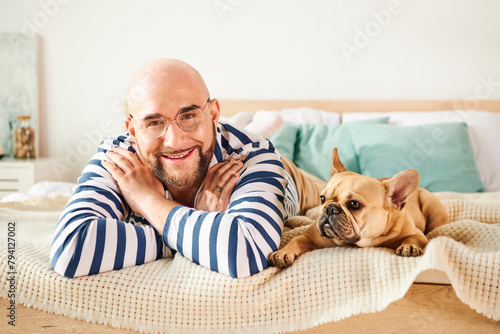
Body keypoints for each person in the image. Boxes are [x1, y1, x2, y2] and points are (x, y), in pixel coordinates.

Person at [50, 59, 325, 279]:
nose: (175, 140)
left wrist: (148, 202)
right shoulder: (120, 158)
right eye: (154, 122)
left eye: (189, 115)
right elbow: (71, 249)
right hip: (211, 150)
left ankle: (260, 126)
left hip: (293, 181)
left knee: (331, 189)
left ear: (214, 114)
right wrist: (196, 220)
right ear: (132, 130)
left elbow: (246, 251)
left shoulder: (256, 154)